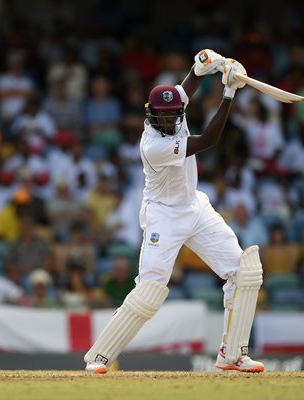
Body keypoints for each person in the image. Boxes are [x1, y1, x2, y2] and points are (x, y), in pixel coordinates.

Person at [84, 50, 266, 374]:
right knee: (150, 291)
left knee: (245, 271)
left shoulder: (175, 109)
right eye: (162, 115)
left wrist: (204, 66)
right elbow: (208, 140)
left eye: (173, 113)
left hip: (194, 208)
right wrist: (228, 92)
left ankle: (232, 354)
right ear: (150, 114)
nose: (168, 119)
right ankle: (99, 357)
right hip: (163, 217)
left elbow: (189, 86)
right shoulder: (153, 145)